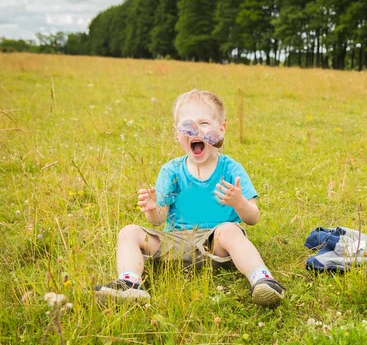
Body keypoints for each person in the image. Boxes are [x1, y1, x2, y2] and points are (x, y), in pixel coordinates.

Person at [94, 89, 285, 306]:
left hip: (215, 246)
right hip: (174, 245)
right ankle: (130, 283)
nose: (197, 131)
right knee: (129, 232)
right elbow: (158, 219)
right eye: (188, 125)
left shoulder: (231, 169)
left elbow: (253, 218)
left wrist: (239, 202)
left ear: (221, 129)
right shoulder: (171, 171)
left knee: (230, 230)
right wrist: (152, 207)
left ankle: (262, 280)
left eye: (204, 123)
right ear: (177, 133)